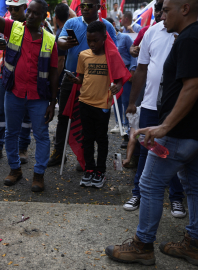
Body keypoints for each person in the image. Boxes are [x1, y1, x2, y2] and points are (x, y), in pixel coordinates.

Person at [106, 0, 198, 265]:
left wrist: (165, 126)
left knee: (149, 185)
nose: (161, 15)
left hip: (179, 132)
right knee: (196, 185)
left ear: (184, 8)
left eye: (166, 10)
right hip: (197, 131)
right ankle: (195, 244)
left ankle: (142, 246)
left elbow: (192, 87)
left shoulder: (191, 38)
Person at [0, 0, 59, 192]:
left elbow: (54, 72)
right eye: (28, 12)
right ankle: (15, 170)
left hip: (39, 97)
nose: (30, 16)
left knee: (42, 136)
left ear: (43, 17)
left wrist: (52, 102)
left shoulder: (49, 40)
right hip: (13, 92)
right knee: (11, 133)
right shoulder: (13, 28)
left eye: (35, 13)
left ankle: (38, 174)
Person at [121, 7, 186, 216]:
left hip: (176, 106)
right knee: (146, 151)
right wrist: (132, 102)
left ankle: (176, 198)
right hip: (150, 104)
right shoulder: (152, 32)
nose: (161, 14)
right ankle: (137, 192)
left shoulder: (192, 32)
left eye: (166, 9)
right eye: (160, 9)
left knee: (172, 152)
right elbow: (141, 69)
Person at [50, 0, 117, 169]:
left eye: (89, 6)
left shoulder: (107, 26)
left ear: (98, 7)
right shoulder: (72, 22)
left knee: (91, 121)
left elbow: (114, 52)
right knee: (64, 116)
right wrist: (66, 43)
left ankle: (86, 158)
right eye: (83, 6)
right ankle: (59, 153)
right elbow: (60, 41)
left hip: (96, 81)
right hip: (71, 77)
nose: (85, 9)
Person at [70, 21, 124, 188]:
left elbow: (121, 78)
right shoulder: (84, 55)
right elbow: (81, 77)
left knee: (101, 139)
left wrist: (118, 86)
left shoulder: (112, 56)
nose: (92, 44)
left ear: (104, 38)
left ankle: (100, 171)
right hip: (84, 101)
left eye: (95, 40)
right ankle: (89, 170)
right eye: (89, 40)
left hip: (102, 104)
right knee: (87, 139)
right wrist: (74, 79)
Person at [0, 0, 33, 165]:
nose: (12, 11)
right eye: (10, 8)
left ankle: (22, 148)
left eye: (16, 9)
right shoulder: (6, 22)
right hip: (6, 74)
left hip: (26, 77)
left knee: (25, 114)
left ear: (25, 7)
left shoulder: (35, 23)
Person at [105, 17, 137, 148]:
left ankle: (127, 128)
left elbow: (133, 56)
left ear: (113, 25)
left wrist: (132, 71)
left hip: (126, 75)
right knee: (116, 101)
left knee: (125, 102)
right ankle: (119, 124)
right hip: (113, 76)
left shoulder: (125, 38)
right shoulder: (107, 41)